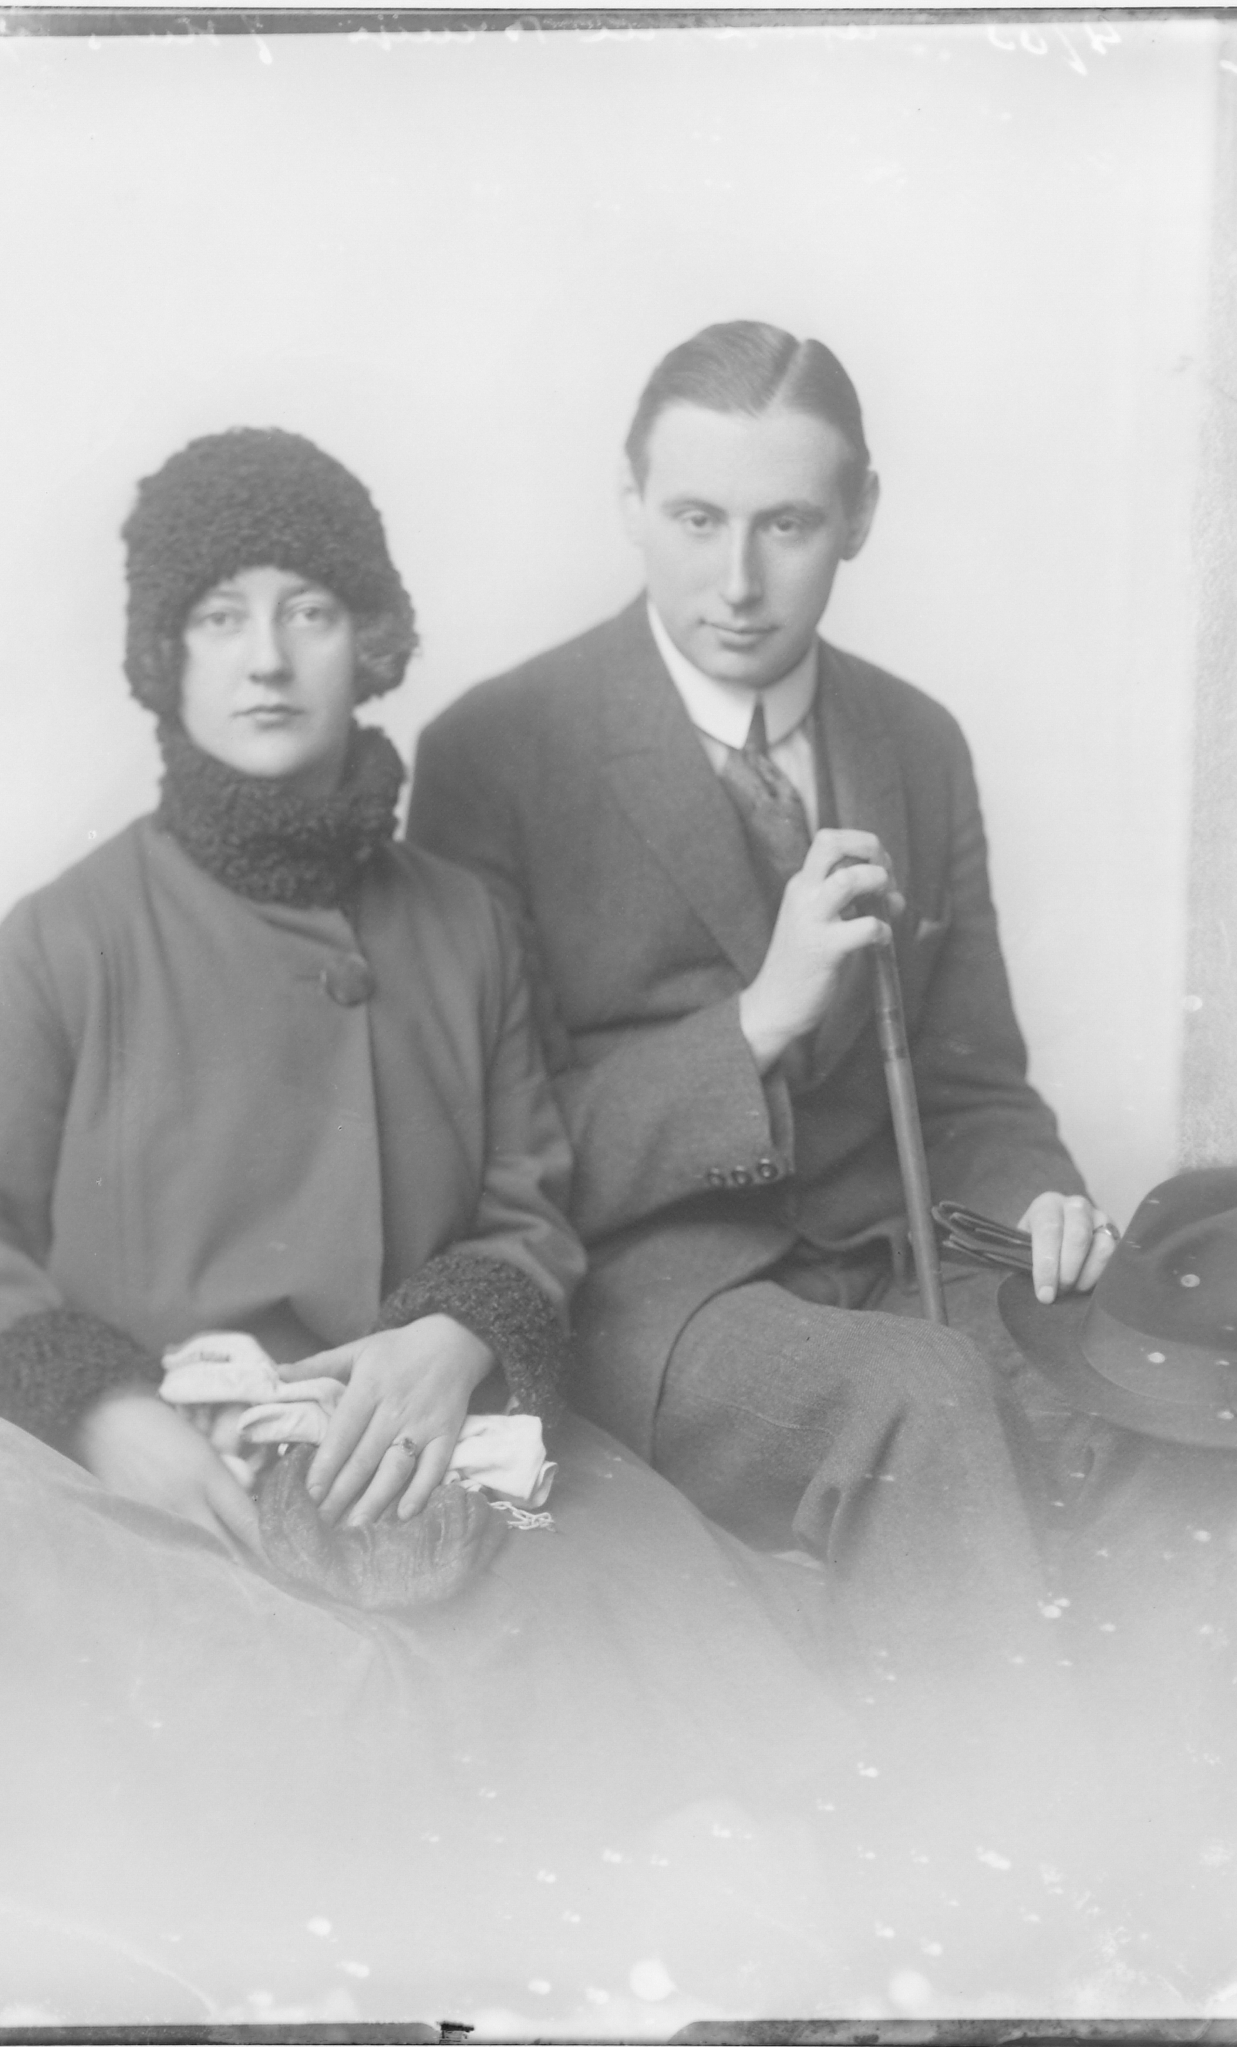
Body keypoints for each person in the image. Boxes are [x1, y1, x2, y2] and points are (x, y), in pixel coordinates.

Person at [0, 426, 878, 2029]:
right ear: (163, 658)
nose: (265, 657)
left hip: (447, 1447)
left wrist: (458, 1332)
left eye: (309, 611)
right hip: (199, 1473)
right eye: (218, 615)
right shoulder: (72, 939)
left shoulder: (465, 928)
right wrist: (103, 1412)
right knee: (323, 1768)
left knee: (690, 1655)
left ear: (370, 642)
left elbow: (529, 1197)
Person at [408, 321, 1120, 1693]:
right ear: (630, 504)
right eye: (696, 519)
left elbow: (976, 1086)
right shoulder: (495, 753)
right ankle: (982, 1818)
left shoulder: (916, 741)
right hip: (649, 1296)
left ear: (861, 515)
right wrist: (759, 1019)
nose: (736, 581)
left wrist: (1042, 1206)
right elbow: (488, 1162)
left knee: (1137, 1379)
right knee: (926, 1402)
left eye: (787, 524)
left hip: (898, 1248)